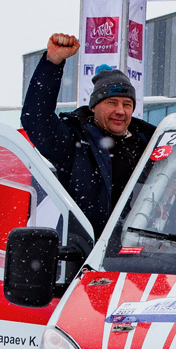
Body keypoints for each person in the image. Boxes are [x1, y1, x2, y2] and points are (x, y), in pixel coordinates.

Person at [21, 33, 156, 234]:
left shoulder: (151, 143)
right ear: (93, 107)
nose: (120, 110)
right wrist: (52, 63)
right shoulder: (74, 141)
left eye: (127, 104)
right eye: (112, 103)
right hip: (85, 249)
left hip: (140, 248)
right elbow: (35, 119)